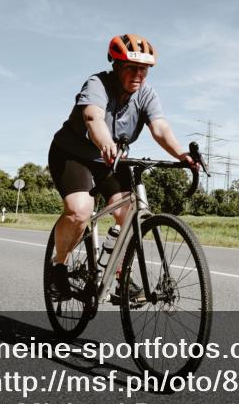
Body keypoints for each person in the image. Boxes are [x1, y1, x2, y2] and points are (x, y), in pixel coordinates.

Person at [47, 34, 196, 301]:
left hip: (112, 159)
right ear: (116, 65)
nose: (138, 75)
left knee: (129, 214)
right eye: (131, 67)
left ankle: (118, 275)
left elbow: (160, 128)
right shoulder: (98, 84)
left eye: (144, 69)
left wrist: (182, 154)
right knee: (80, 211)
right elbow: (92, 117)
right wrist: (106, 143)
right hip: (73, 154)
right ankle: (58, 267)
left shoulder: (146, 94)